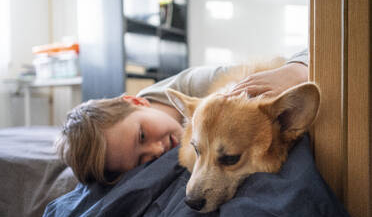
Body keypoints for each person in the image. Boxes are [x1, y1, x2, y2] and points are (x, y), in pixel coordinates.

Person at [57, 50, 309, 185]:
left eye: (142, 135)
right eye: (141, 160)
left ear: (134, 101)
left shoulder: (197, 84)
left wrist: (296, 69)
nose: (157, 149)